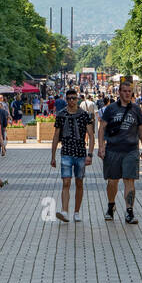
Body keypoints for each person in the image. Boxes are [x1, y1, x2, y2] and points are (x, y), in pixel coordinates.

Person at [95, 80, 142, 223]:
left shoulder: (136, 109)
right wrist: (101, 146)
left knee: (129, 180)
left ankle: (129, 211)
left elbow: (141, 129)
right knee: (112, 181)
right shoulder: (111, 109)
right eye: (124, 91)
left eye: (129, 91)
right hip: (113, 149)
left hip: (131, 149)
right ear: (119, 92)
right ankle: (111, 205)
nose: (127, 93)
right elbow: (102, 128)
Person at [50, 88, 94, 222]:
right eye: (69, 99)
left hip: (80, 153)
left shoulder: (84, 115)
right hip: (66, 153)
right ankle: (64, 211)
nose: (71, 101)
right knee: (66, 182)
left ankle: (76, 211)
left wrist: (90, 155)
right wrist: (52, 156)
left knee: (79, 183)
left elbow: (91, 136)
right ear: (66, 100)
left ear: (77, 99)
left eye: (74, 98)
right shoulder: (61, 115)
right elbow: (56, 135)